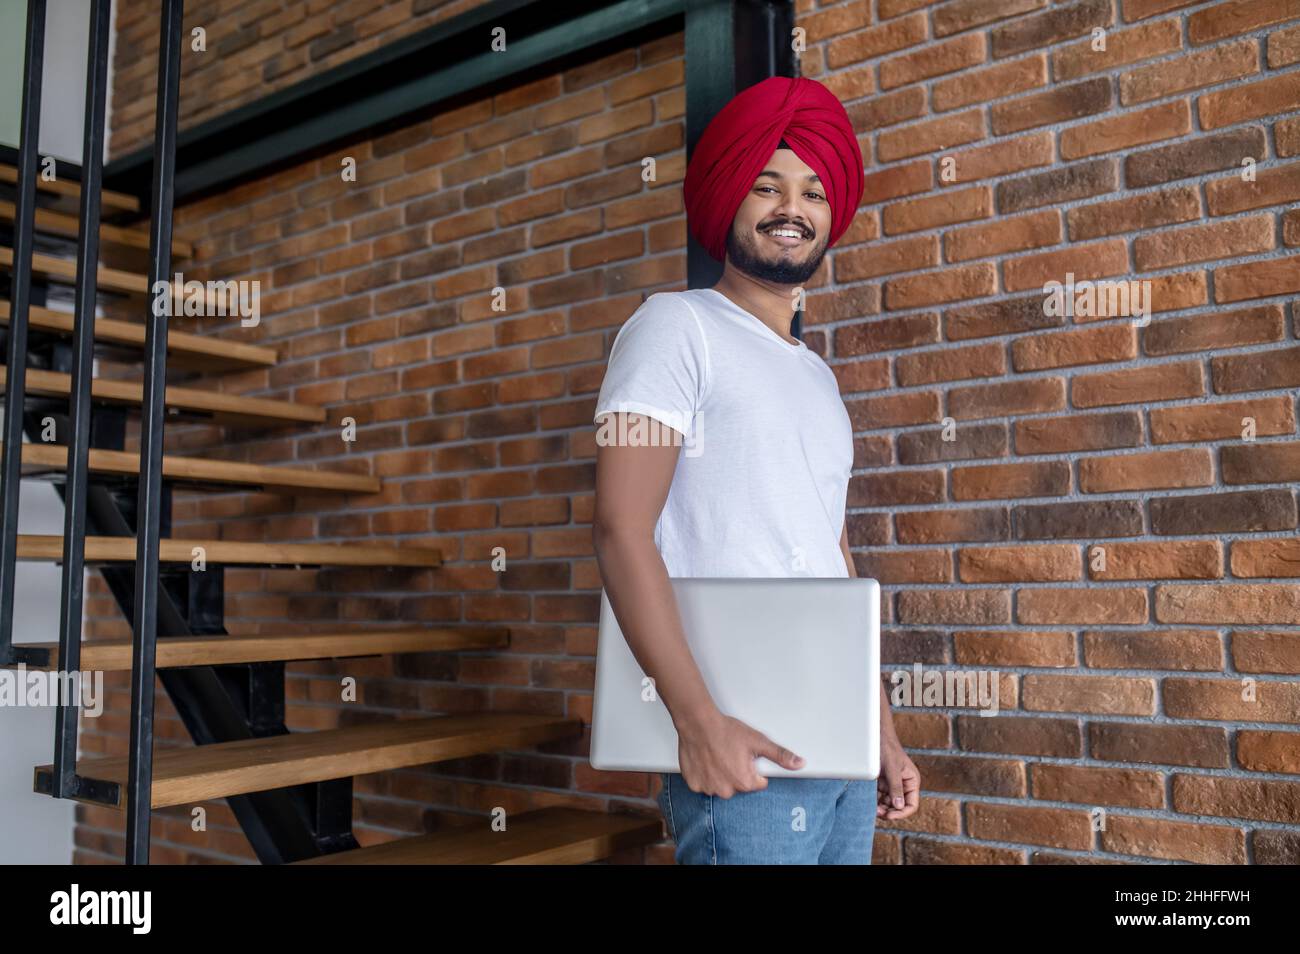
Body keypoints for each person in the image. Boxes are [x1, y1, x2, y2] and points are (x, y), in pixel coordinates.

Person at [591, 76, 920, 865]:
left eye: (812, 190)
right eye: (766, 184)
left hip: (837, 749)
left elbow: (832, 561)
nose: (791, 207)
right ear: (728, 199)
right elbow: (620, 529)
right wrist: (697, 724)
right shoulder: (674, 328)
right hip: (740, 746)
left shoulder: (816, 377)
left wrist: (883, 734)